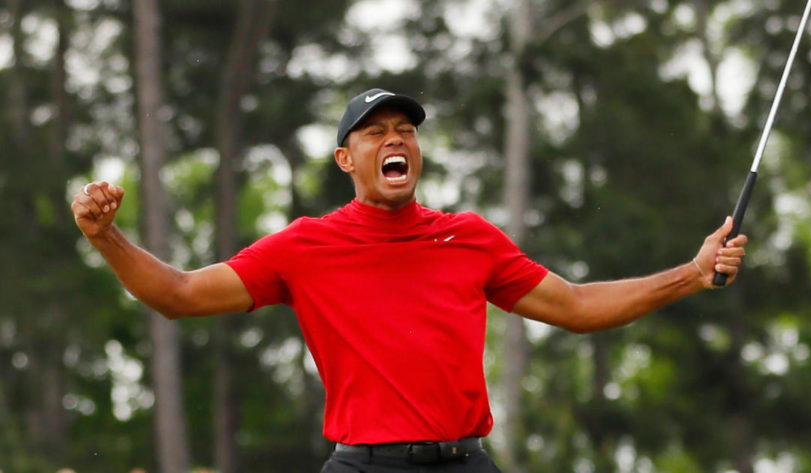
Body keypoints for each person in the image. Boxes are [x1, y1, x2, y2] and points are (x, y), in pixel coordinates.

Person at [71, 88, 748, 473]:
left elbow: (573, 305)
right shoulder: (307, 245)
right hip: (365, 469)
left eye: (405, 131)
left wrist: (692, 273)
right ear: (346, 157)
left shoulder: (470, 237)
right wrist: (106, 235)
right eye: (374, 132)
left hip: (466, 464)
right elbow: (178, 295)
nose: (395, 139)